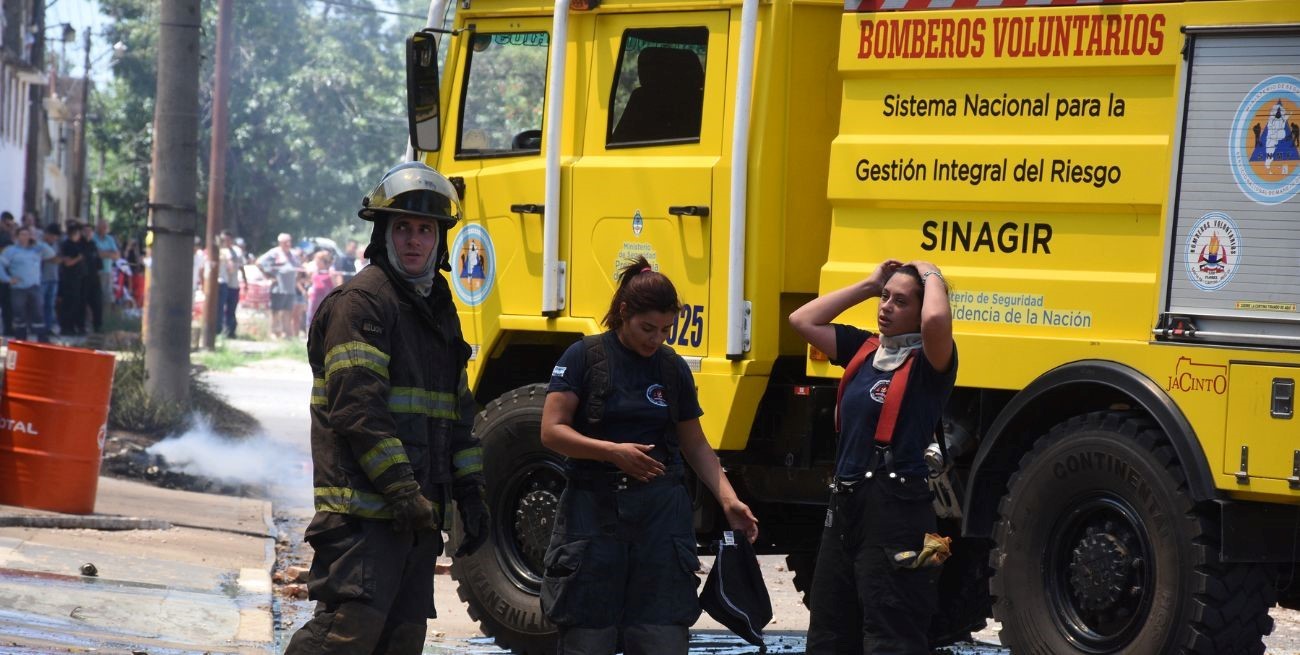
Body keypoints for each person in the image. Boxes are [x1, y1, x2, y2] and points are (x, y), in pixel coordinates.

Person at [284, 162, 489, 654]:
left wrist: (472, 495)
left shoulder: (438, 307)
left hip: (416, 515)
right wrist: (403, 491)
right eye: (403, 228)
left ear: (440, 239)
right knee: (345, 634)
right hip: (363, 512)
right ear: (383, 234)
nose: (414, 240)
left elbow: (456, 414)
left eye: (425, 229)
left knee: (401, 640)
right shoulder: (362, 304)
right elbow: (359, 413)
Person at [539, 255, 760, 655]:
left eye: (665, 330)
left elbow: (695, 444)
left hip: (661, 520)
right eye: (647, 328)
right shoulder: (584, 356)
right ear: (624, 312)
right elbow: (552, 431)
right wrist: (611, 453)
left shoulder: (672, 368)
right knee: (588, 637)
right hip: (592, 515)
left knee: (660, 637)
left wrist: (729, 499)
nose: (656, 339)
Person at [788, 259, 956, 655]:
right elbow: (802, 320)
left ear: (919, 311)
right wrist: (869, 284)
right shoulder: (863, 349)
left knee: (890, 636)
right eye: (885, 297)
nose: (886, 307)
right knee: (829, 634)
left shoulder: (930, 362)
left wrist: (930, 272)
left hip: (896, 510)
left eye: (900, 302)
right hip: (846, 507)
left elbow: (936, 320)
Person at [0, 226, 57, 341]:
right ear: (17, 236)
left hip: (34, 287)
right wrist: (7, 279)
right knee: (19, 314)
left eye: (27, 234)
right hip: (18, 288)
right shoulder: (11, 251)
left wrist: (37, 242)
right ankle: (21, 338)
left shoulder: (36, 249)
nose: (25, 237)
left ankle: (42, 339)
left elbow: (51, 254)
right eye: (22, 234)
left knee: (38, 313)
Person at [258, 233, 301, 339]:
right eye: (285, 242)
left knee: (288, 311)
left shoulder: (293, 254)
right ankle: (274, 332)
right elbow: (259, 263)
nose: (288, 244)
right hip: (278, 287)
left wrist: (298, 278)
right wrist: (268, 276)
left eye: (289, 241)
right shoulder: (274, 253)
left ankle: (286, 333)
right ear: (280, 243)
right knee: (275, 310)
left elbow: (299, 267)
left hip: (290, 288)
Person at [58, 222, 87, 335]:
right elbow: (67, 263)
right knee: (68, 304)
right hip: (69, 279)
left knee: (77, 304)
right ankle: (66, 327)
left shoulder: (79, 244)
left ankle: (75, 326)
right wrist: (78, 258)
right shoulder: (67, 245)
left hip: (79, 278)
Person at [216, 230, 244, 338]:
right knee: (220, 307)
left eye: (228, 239)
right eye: (224, 240)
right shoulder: (220, 251)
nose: (226, 241)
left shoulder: (237, 251)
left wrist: (245, 280)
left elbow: (241, 266)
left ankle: (231, 331)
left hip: (233, 283)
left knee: (232, 308)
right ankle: (222, 330)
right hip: (223, 283)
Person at [78, 223, 104, 333]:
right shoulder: (79, 245)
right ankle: (81, 326)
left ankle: (97, 326)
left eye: (90, 231)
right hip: (82, 279)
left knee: (97, 303)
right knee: (81, 304)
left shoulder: (94, 245)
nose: (88, 233)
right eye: (86, 231)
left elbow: (99, 264)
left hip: (94, 278)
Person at [306, 249, 341, 326]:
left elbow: (335, 286)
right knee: (311, 319)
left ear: (323, 261)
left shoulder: (331, 271)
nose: (316, 262)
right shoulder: (315, 271)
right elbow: (311, 282)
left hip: (325, 299)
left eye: (318, 260)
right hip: (314, 299)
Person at [40, 225, 62, 334]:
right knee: (40, 304)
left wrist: (55, 259)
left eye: (56, 237)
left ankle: (48, 327)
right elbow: (51, 259)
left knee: (50, 304)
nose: (54, 238)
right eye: (52, 236)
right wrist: (54, 259)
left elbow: (59, 259)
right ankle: (38, 326)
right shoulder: (40, 245)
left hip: (54, 278)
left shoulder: (56, 245)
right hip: (42, 278)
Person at [93, 220, 120, 305]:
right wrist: (109, 253)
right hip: (95, 271)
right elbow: (96, 254)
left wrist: (104, 253)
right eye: (103, 227)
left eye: (106, 227)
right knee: (95, 296)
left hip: (107, 271)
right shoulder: (93, 238)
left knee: (106, 296)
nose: (105, 229)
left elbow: (117, 255)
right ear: (98, 227)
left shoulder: (110, 239)